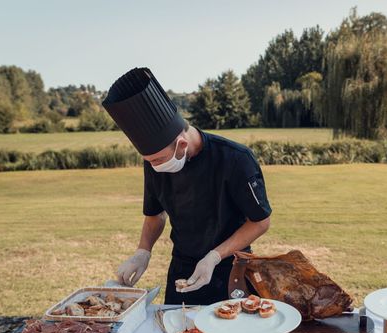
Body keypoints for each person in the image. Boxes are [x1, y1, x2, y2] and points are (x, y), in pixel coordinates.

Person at [102, 67, 272, 305]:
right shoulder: (154, 163)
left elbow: (260, 221)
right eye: (149, 162)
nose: (154, 166)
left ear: (182, 144)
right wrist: (143, 251)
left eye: (159, 160)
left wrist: (214, 256)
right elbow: (155, 215)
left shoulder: (236, 159)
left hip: (230, 269)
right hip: (182, 267)